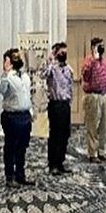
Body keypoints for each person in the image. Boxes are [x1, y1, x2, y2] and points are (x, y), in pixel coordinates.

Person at [0, 48, 34, 188]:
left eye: (19, 57)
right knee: (11, 148)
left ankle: (20, 175)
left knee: (22, 148)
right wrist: (5, 73)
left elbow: (27, 95)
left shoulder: (25, 76)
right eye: (15, 57)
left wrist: (31, 112)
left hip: (25, 116)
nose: (19, 59)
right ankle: (10, 177)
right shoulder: (7, 77)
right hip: (12, 116)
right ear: (8, 60)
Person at [39, 42, 73, 176]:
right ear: (56, 53)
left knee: (65, 134)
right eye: (61, 52)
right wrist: (50, 59)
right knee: (55, 135)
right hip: (55, 104)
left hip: (65, 104)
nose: (64, 54)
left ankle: (60, 162)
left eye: (65, 52)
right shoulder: (52, 68)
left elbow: (70, 87)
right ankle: (52, 163)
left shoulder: (68, 69)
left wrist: (70, 101)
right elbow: (42, 74)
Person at [81, 38, 106, 163]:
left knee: (103, 125)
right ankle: (92, 153)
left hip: (103, 95)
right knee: (92, 125)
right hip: (92, 96)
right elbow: (85, 75)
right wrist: (94, 59)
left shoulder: (105, 62)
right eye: (99, 46)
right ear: (93, 47)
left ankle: (101, 151)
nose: (102, 48)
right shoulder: (88, 61)